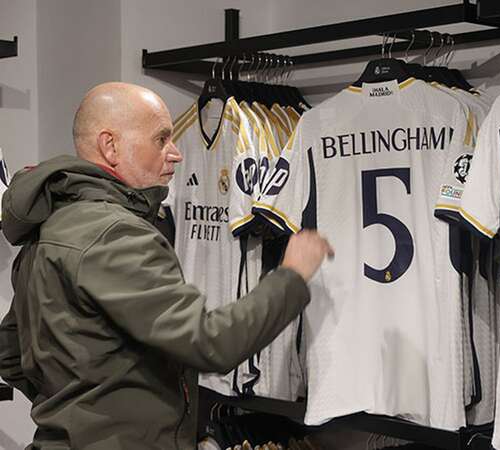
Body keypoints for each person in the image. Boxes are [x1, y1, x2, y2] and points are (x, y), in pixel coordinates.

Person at [0, 82, 333, 449]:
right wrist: (292, 275)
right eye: (161, 140)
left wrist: (75, 412)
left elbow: (10, 353)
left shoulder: (50, 224)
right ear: (110, 146)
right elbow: (211, 343)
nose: (175, 154)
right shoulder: (116, 234)